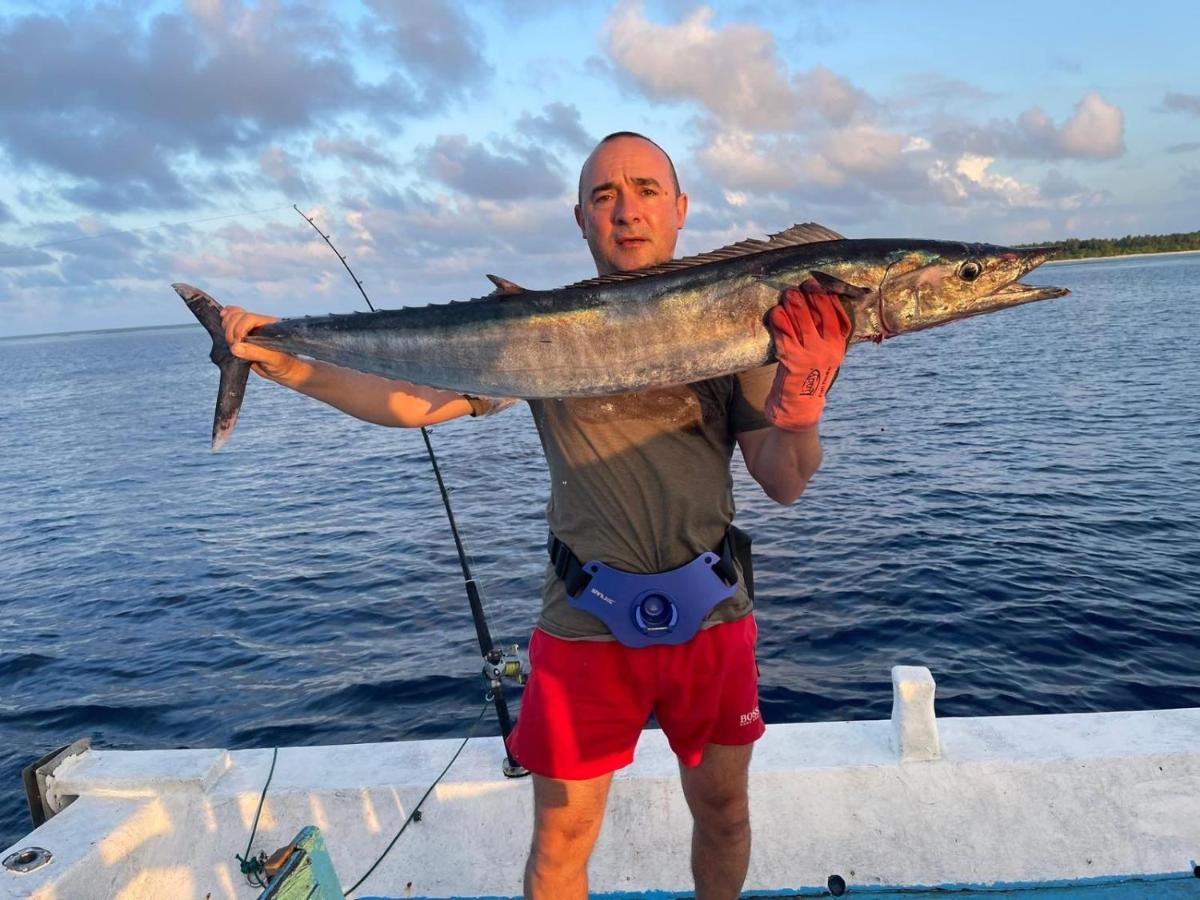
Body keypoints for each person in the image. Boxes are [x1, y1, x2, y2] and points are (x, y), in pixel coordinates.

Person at [222, 132, 851, 900]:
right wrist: (289, 364)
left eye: (647, 190)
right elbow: (411, 401)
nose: (627, 211)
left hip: (714, 614)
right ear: (580, 219)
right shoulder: (544, 331)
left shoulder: (745, 329)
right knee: (560, 842)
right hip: (585, 621)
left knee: (723, 813)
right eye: (604, 195)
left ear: (681, 209)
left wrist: (804, 403)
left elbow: (783, 481)